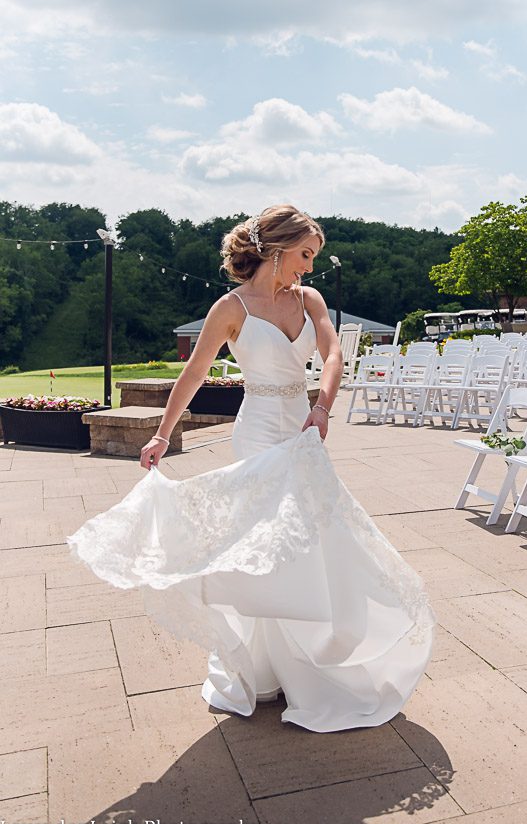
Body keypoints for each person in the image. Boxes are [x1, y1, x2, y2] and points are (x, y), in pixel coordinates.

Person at [67, 204, 434, 733]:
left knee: (313, 538)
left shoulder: (310, 300)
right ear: (278, 250)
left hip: (305, 431)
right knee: (271, 547)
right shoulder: (231, 307)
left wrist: (322, 406)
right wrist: (162, 434)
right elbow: (193, 374)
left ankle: (314, 657)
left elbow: (332, 356)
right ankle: (266, 669)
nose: (310, 266)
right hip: (259, 431)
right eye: (305, 255)